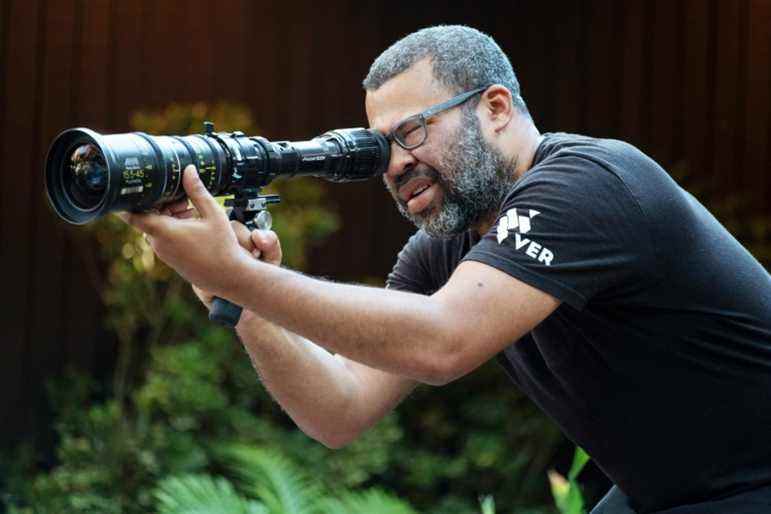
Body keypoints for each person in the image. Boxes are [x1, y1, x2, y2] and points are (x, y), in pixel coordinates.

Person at [118, 26, 771, 514]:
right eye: (381, 149)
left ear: (494, 108)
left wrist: (239, 275)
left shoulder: (589, 182)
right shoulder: (448, 244)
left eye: (412, 132)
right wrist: (247, 307)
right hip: (669, 492)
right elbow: (339, 410)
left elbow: (442, 340)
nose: (394, 164)